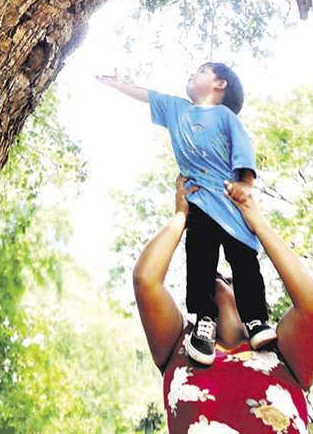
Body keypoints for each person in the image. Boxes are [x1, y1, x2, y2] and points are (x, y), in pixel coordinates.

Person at [98, 63, 275, 363]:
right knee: (200, 261)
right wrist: (121, 85)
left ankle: (256, 320)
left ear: (220, 84)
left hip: (230, 203)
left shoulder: (225, 117)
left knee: (244, 262)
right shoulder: (177, 109)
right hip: (198, 201)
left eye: (202, 70)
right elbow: (149, 96)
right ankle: (205, 321)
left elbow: (243, 147)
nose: (191, 73)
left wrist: (246, 182)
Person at [133, 176, 313, 434]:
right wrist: (181, 217)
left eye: (230, 277)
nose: (219, 274)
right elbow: (145, 280)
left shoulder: (282, 353)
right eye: (213, 273)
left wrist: (256, 222)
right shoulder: (179, 345)